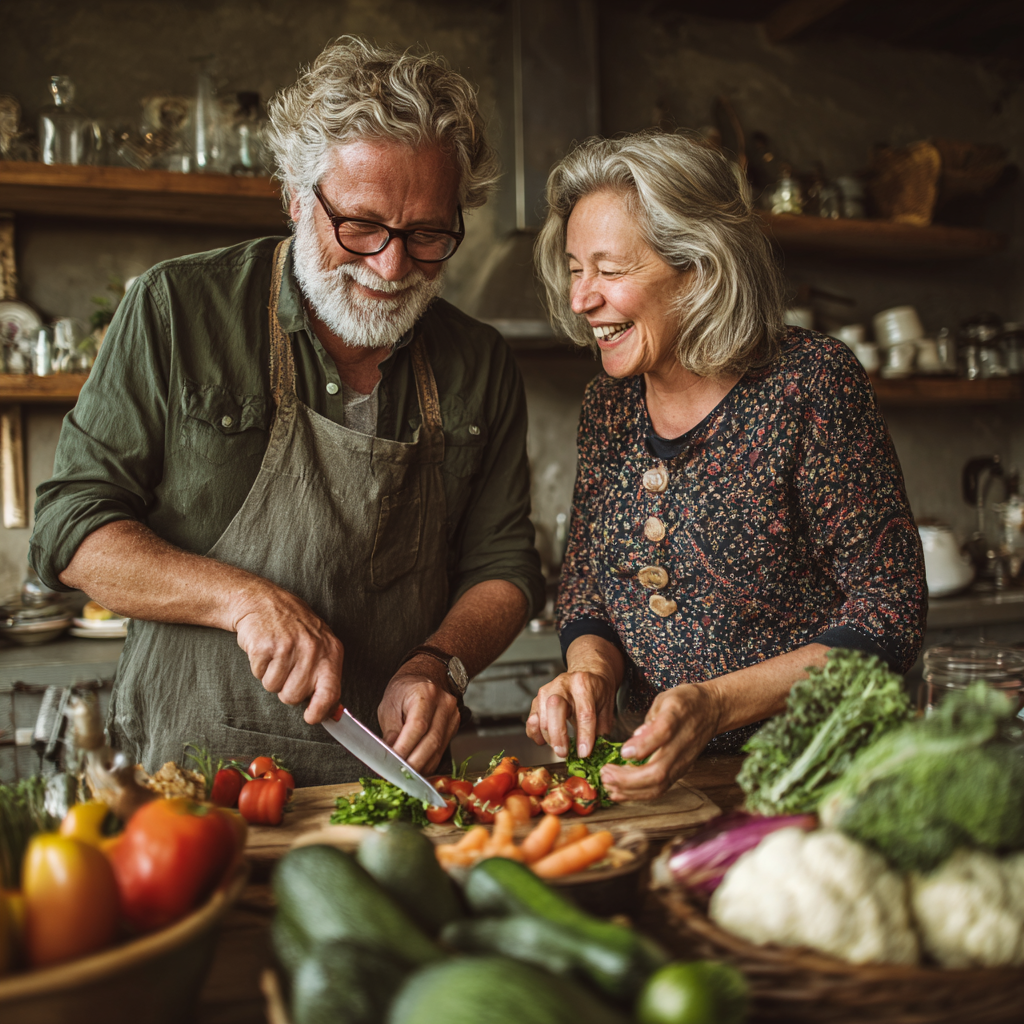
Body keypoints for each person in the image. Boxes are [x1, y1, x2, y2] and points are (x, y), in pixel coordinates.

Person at [29, 38, 544, 785]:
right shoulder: (177, 309)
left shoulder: (478, 360)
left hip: (390, 780)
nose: (391, 266)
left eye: (428, 235)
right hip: (195, 780)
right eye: (360, 226)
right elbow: (69, 529)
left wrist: (440, 665)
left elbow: (503, 566)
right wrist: (241, 601)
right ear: (298, 198)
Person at [526, 131, 926, 802]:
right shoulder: (608, 405)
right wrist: (591, 673)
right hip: (652, 782)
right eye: (574, 269)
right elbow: (587, 589)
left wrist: (715, 704)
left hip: (811, 778)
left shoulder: (809, 383)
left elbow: (891, 610)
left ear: (700, 269)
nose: (580, 299)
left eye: (609, 270)